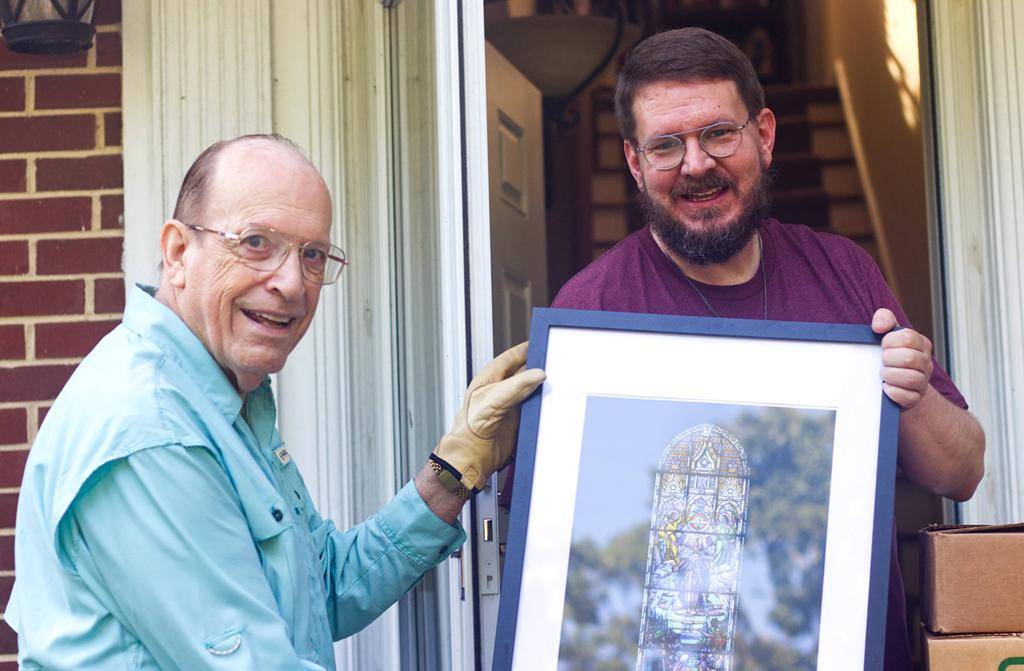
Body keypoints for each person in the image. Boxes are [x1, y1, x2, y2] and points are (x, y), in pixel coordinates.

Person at [7, 134, 545, 670]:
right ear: (177, 253)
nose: (291, 283)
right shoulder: (154, 429)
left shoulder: (223, 396)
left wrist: (454, 467)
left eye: (313, 255)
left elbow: (325, 588)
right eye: (256, 242)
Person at [551, 28, 985, 669]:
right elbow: (560, 554)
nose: (696, 164)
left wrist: (914, 392)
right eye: (667, 146)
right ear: (637, 165)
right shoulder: (589, 317)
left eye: (718, 134)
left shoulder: (843, 273)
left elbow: (962, 473)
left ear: (765, 134)